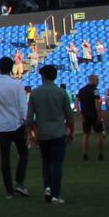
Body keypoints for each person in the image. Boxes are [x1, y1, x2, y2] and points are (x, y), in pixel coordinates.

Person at [27, 66, 72, 203]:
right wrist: (70, 130)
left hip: (43, 133)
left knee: (46, 162)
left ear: (43, 76)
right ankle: (55, 195)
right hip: (58, 132)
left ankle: (47, 187)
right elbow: (69, 116)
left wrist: (30, 134)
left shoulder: (35, 93)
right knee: (56, 164)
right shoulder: (61, 93)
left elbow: (29, 118)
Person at [0, 57, 30, 197]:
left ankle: (9, 190)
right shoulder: (16, 84)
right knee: (23, 153)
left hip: (0, 126)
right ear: (11, 68)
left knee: (5, 158)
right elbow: (23, 106)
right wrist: (25, 121)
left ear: (0, 68)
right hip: (16, 124)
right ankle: (19, 182)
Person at [75, 74, 106, 161]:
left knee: (86, 135)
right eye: (97, 80)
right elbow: (97, 102)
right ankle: (100, 153)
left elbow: (76, 100)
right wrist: (99, 114)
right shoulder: (95, 90)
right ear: (93, 80)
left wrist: (78, 111)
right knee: (99, 134)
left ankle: (85, 153)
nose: (98, 82)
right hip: (94, 114)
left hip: (85, 115)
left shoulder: (81, 90)